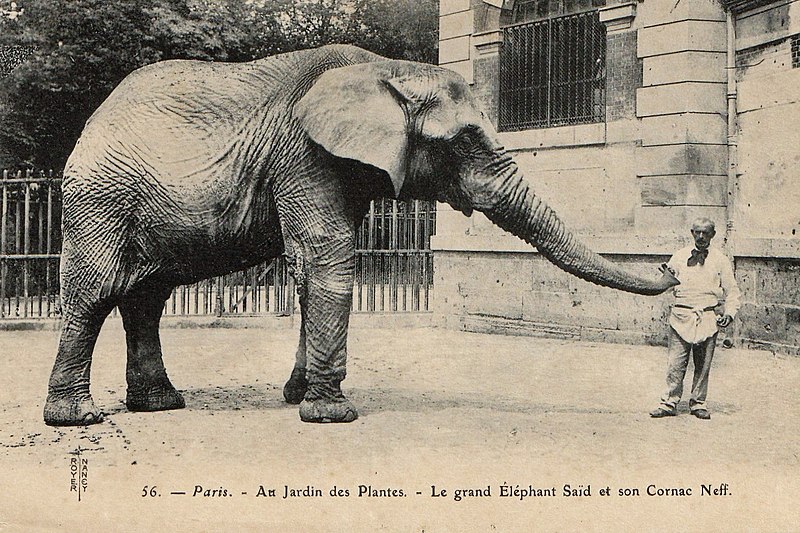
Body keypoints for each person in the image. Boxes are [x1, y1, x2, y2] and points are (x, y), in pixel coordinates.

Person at [650, 218, 740, 420]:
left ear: (713, 235)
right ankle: (669, 403)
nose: (701, 237)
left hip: (707, 317)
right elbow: (667, 283)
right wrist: (667, 276)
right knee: (675, 363)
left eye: (705, 233)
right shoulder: (680, 256)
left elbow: (733, 291)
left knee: (703, 364)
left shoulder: (721, 260)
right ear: (692, 232)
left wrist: (729, 313)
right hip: (681, 316)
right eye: (697, 232)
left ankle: (698, 403)